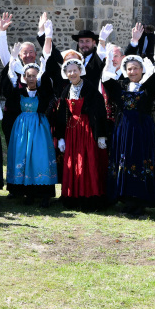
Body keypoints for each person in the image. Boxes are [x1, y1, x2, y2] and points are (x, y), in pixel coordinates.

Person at [102, 51, 155, 216]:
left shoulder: (149, 87)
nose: (132, 72)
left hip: (143, 132)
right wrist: (110, 59)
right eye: (129, 69)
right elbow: (105, 79)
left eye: (136, 68)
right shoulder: (120, 87)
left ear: (142, 70)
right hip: (124, 131)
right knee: (124, 162)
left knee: (141, 162)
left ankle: (141, 201)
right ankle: (127, 199)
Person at [2, 62, 57, 207]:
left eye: (34, 76)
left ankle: (45, 194)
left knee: (40, 158)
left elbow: (49, 94)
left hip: (39, 128)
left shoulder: (43, 92)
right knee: (24, 157)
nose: (31, 78)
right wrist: (12, 75)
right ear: (24, 78)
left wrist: (43, 72)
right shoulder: (19, 93)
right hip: (22, 128)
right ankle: (28, 193)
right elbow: (9, 95)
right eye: (29, 76)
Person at [55, 59, 107, 208]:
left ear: (80, 71)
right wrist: (61, 138)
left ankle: (90, 197)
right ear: (66, 73)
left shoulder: (90, 89)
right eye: (69, 71)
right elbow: (61, 116)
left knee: (87, 161)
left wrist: (101, 135)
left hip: (87, 130)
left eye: (74, 70)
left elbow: (100, 112)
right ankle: (73, 196)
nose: (72, 73)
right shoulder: (66, 90)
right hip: (71, 131)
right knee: (73, 162)